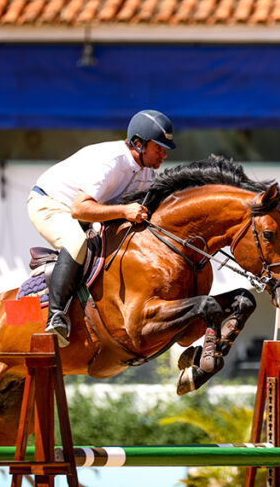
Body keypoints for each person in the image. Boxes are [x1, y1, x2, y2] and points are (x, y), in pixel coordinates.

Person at [27, 110, 176, 346]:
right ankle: (56, 316)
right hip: (50, 203)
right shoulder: (112, 162)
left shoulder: (145, 170)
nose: (164, 154)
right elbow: (79, 209)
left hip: (85, 211)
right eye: (159, 147)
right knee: (77, 242)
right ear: (139, 144)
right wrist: (124, 211)